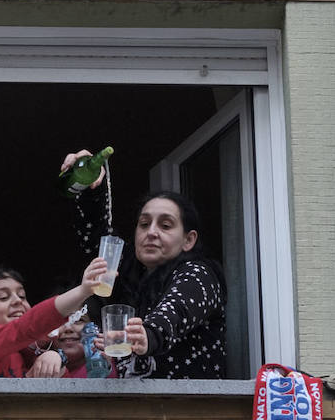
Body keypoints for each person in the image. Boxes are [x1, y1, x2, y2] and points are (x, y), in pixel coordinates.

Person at [62, 150, 228, 379]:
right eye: (144, 223)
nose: (151, 232)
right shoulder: (128, 274)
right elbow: (97, 234)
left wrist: (147, 334)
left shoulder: (198, 274)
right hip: (135, 409)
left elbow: (175, 311)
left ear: (188, 240)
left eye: (166, 225)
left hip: (187, 410)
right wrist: (91, 187)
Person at [0, 256, 106, 378]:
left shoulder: (31, 355)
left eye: (22, 295)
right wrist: (82, 291)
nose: (17, 301)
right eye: (3, 297)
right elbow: (26, 328)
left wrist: (57, 358)